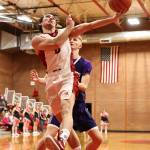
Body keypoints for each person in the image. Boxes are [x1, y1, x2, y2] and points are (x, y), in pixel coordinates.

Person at [32, 13, 121, 149]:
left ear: (56, 23)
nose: (50, 18)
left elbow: (89, 26)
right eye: (46, 16)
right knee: (61, 121)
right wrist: (69, 28)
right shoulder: (37, 39)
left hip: (67, 76)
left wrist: (112, 19)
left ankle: (62, 139)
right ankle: (74, 146)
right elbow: (55, 42)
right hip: (51, 79)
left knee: (66, 111)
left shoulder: (66, 33)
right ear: (40, 24)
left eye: (53, 17)